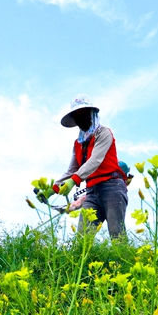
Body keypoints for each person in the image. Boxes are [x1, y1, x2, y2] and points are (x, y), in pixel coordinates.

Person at [52, 95, 129, 239]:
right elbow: (72, 170)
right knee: (83, 238)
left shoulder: (104, 133)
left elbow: (95, 160)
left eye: (83, 113)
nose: (80, 117)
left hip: (112, 186)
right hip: (92, 192)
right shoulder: (78, 143)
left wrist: (73, 181)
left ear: (91, 113)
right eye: (77, 115)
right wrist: (53, 189)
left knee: (117, 233)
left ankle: (122, 261)